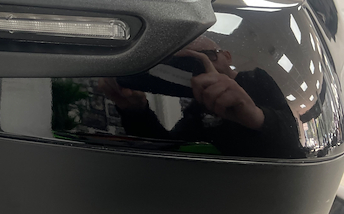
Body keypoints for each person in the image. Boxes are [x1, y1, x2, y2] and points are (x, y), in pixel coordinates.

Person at [99, 36, 302, 158]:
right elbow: (172, 151)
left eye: (208, 56)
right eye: (189, 63)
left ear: (227, 56)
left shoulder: (257, 79)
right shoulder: (198, 106)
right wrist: (137, 111)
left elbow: (297, 141)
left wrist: (256, 116)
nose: (204, 67)